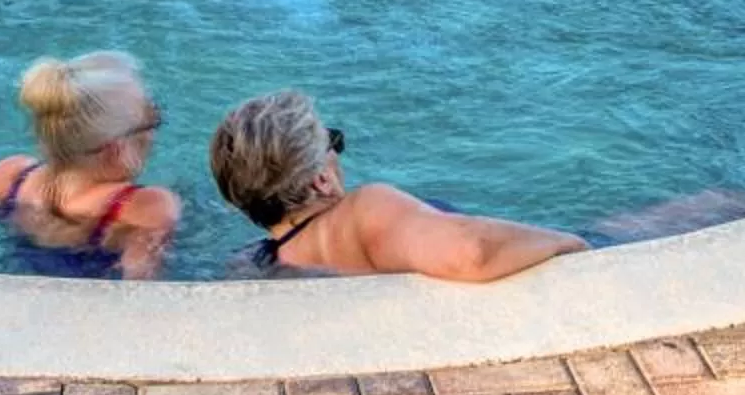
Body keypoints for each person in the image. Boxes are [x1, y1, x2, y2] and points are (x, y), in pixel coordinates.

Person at [208, 91, 586, 282]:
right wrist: (569, 242)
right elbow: (472, 252)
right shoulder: (364, 212)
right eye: (333, 142)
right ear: (320, 179)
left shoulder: (253, 264)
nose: (338, 151)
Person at [0, 52, 180, 279]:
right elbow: (139, 292)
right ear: (117, 148)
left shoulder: (8, 177)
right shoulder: (144, 207)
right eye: (153, 119)